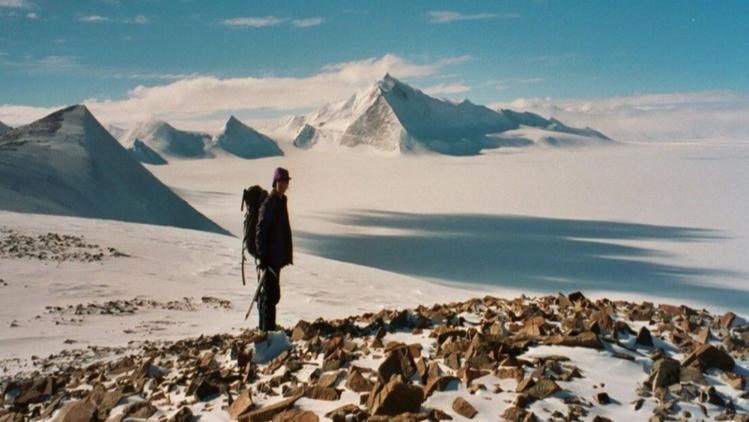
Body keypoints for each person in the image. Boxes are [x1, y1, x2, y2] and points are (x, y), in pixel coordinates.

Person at [255, 167, 293, 332]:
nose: (284, 185)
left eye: (286, 182)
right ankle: (267, 330)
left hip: (275, 257)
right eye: (281, 182)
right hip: (270, 258)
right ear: (275, 183)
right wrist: (263, 257)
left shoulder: (280, 201)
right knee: (271, 295)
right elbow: (261, 230)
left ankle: (266, 327)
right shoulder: (270, 203)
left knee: (271, 295)